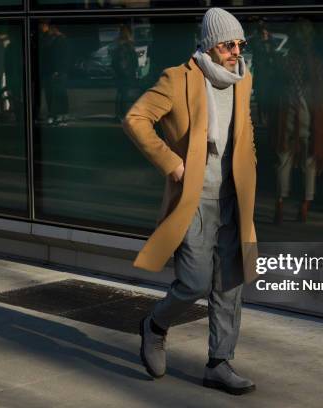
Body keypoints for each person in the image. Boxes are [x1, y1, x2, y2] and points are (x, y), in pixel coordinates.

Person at [122, 7, 258, 395]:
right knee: (195, 283)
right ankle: (155, 325)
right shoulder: (178, 79)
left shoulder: (242, 79)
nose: (236, 51)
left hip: (234, 196)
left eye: (240, 43)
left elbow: (244, 131)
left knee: (231, 283)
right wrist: (171, 162)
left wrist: (251, 163)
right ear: (209, 46)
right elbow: (136, 118)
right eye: (228, 45)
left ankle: (219, 363)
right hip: (196, 198)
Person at [269, 19, 323, 224]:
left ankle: (279, 203)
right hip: (309, 112)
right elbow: (320, 93)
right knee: (309, 161)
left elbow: (276, 88)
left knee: (283, 159)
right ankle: (304, 205)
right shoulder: (317, 62)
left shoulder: (285, 60)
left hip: (288, 111)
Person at [111, 24, 138, 121]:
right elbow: (127, 62)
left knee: (121, 94)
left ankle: (120, 114)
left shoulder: (119, 45)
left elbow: (116, 62)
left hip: (122, 74)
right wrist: (129, 73)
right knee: (125, 95)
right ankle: (123, 114)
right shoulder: (126, 46)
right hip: (126, 74)